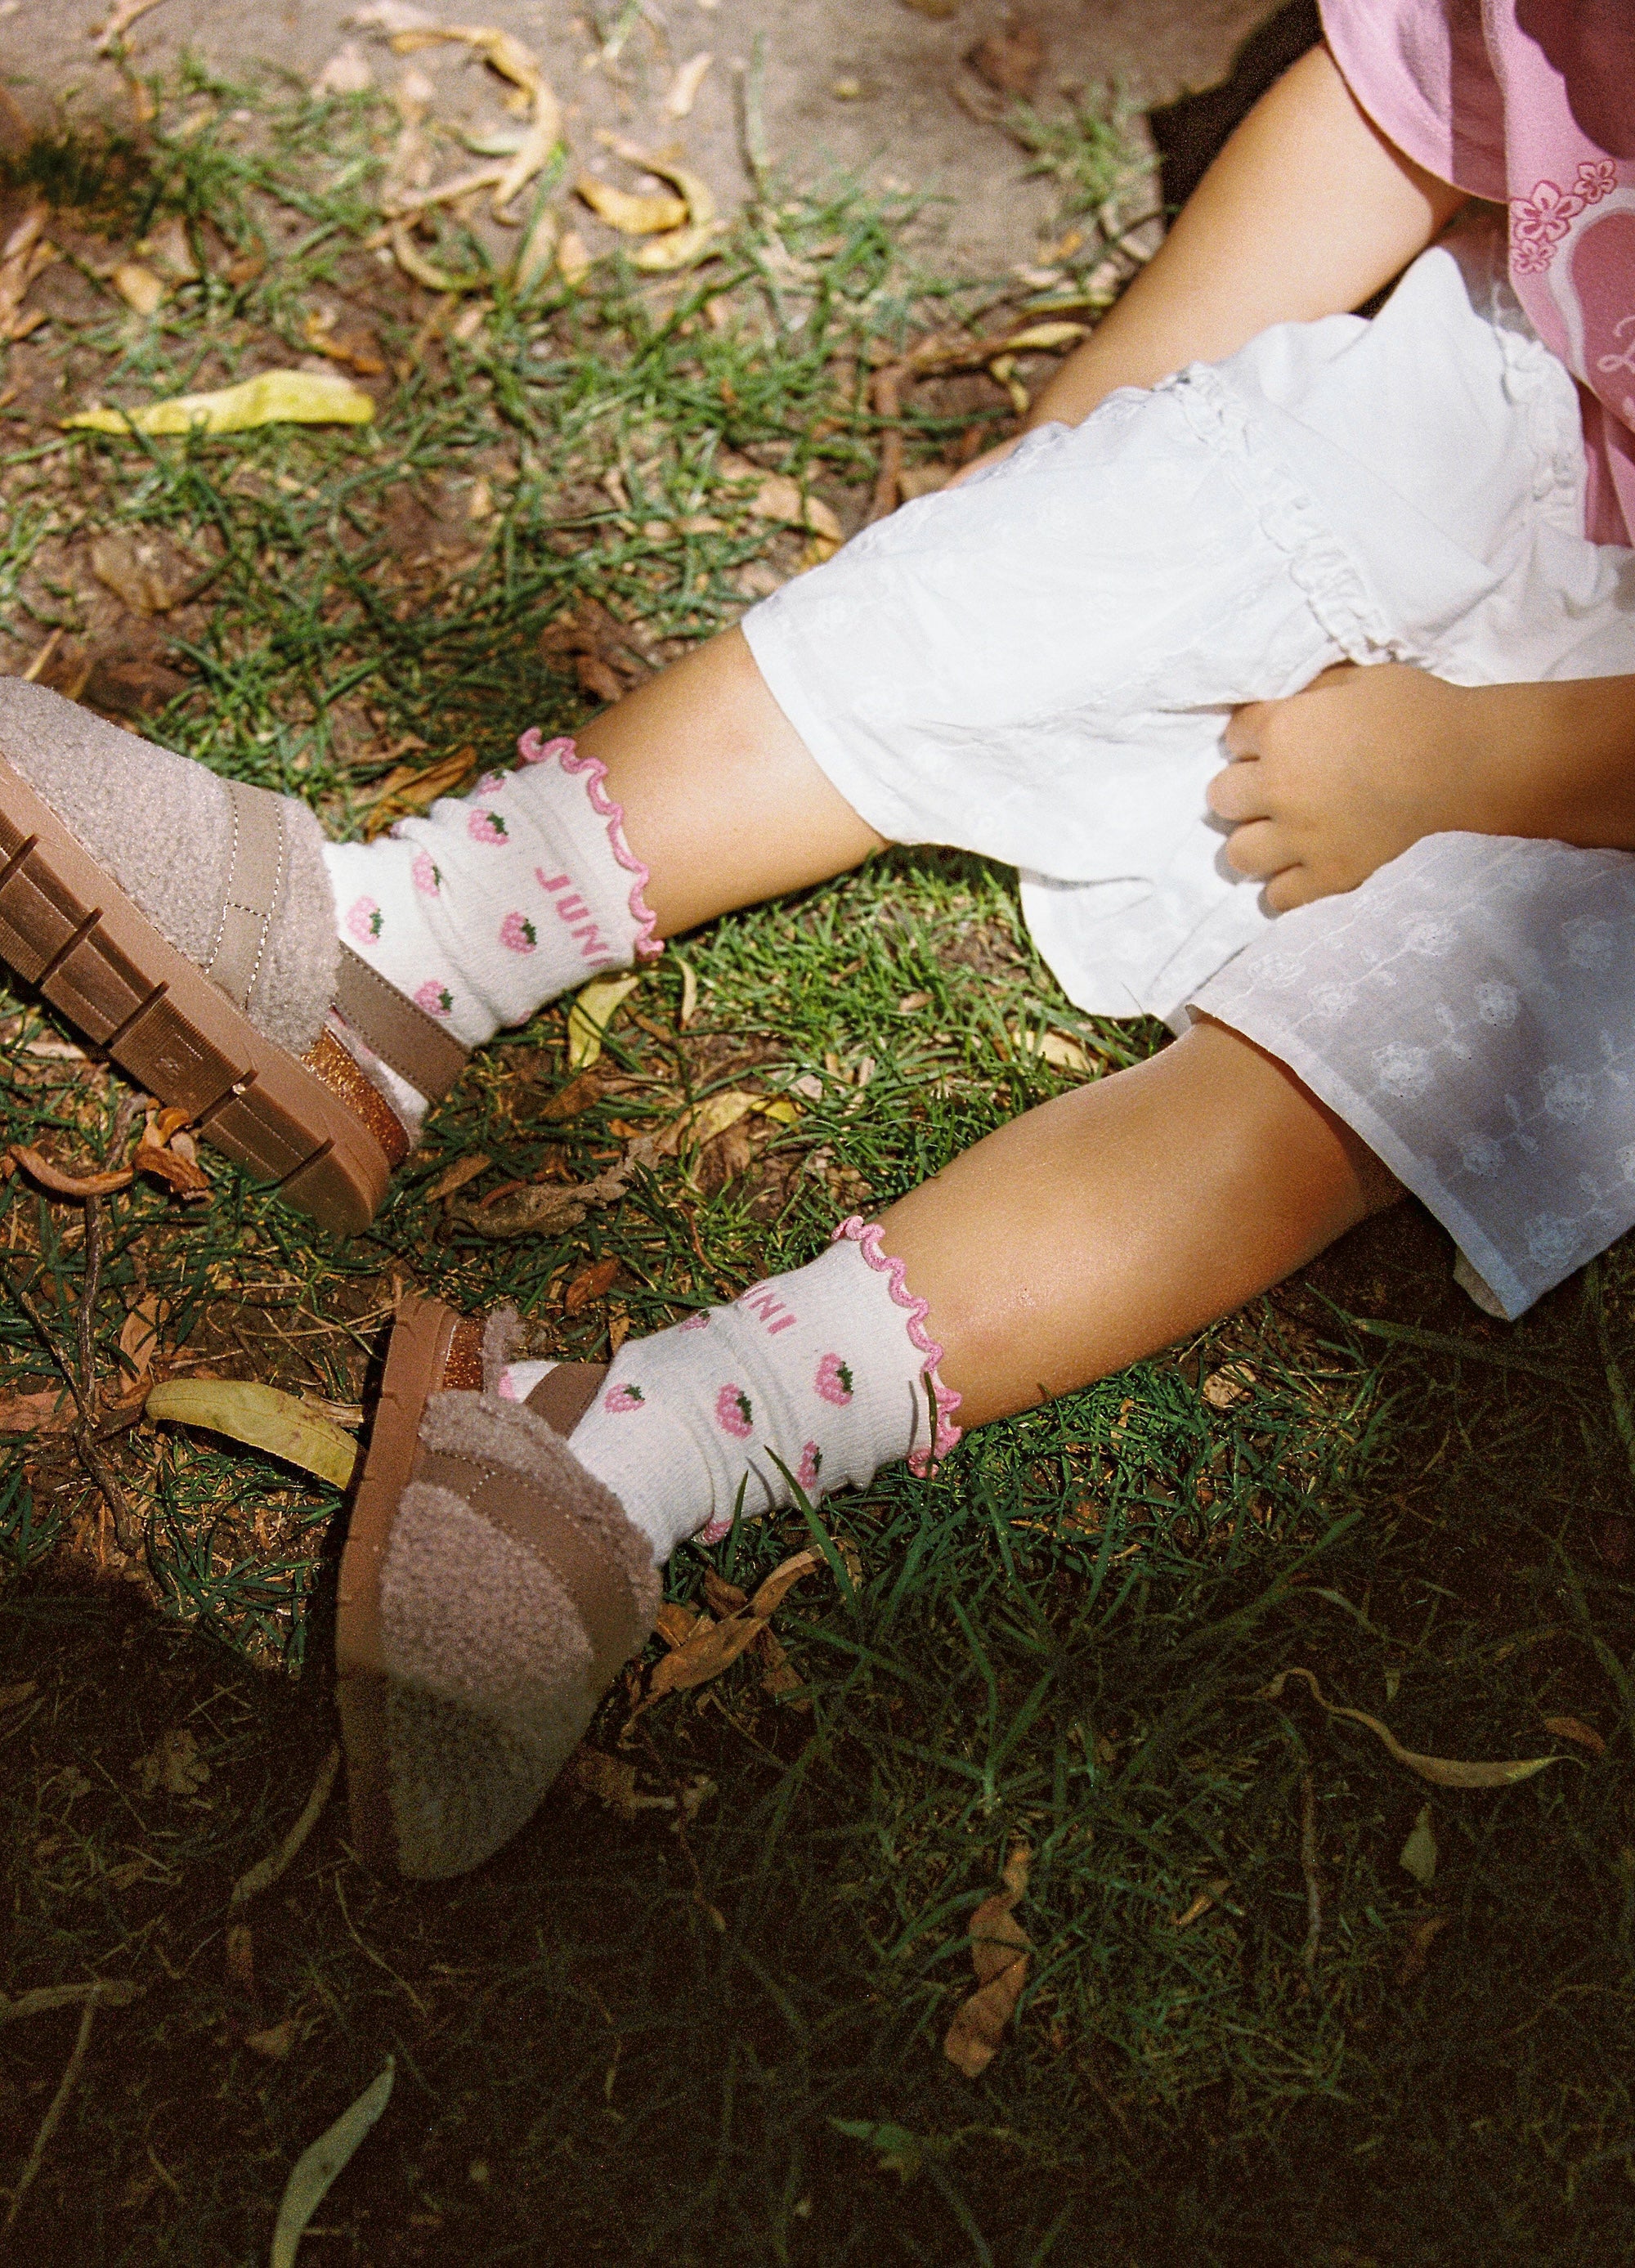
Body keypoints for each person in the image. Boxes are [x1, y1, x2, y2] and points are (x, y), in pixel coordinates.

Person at [1, 7, 1628, 1877]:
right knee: (1067, 567)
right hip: (1520, 401)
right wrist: (1059, 486)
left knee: (1384, 1063)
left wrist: (1471, 761)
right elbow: (1406, 104)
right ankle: (397, 943)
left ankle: (636, 1451)